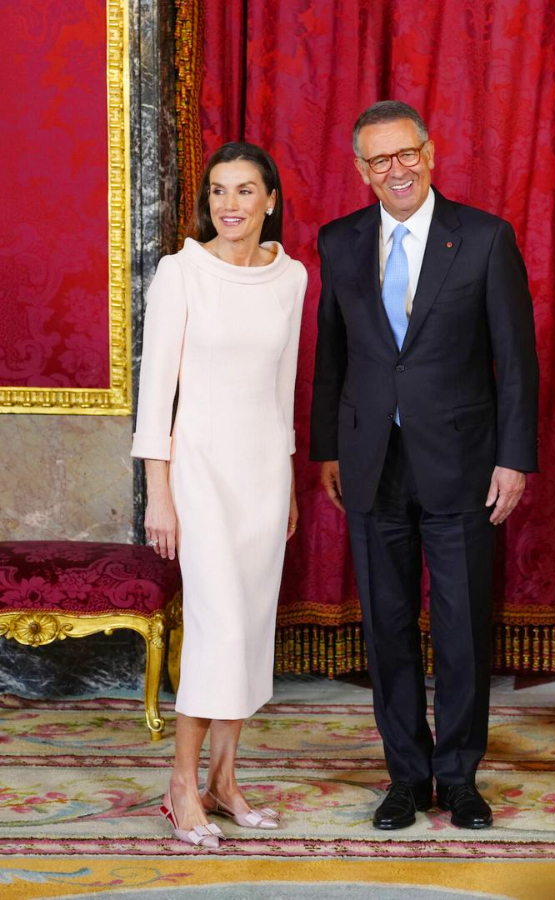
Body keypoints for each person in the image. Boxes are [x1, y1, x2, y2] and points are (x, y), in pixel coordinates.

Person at [310, 101, 538, 832]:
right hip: (371, 462)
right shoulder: (339, 242)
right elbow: (331, 358)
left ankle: (460, 777)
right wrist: (326, 450)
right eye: (379, 161)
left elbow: (517, 364)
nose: (396, 170)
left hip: (464, 463)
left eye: (406, 154)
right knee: (387, 625)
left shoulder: (484, 238)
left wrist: (514, 458)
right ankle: (406, 776)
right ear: (361, 171)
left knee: (463, 625)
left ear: (430, 152)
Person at [134, 142, 306, 848]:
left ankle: (225, 782)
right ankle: (181, 785)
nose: (228, 206)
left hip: (265, 473)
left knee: (250, 631)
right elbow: (156, 394)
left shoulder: (291, 276)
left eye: (244, 191)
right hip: (199, 472)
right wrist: (159, 494)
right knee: (218, 629)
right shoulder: (182, 273)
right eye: (217, 193)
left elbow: (285, 385)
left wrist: (290, 478)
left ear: (270, 200)